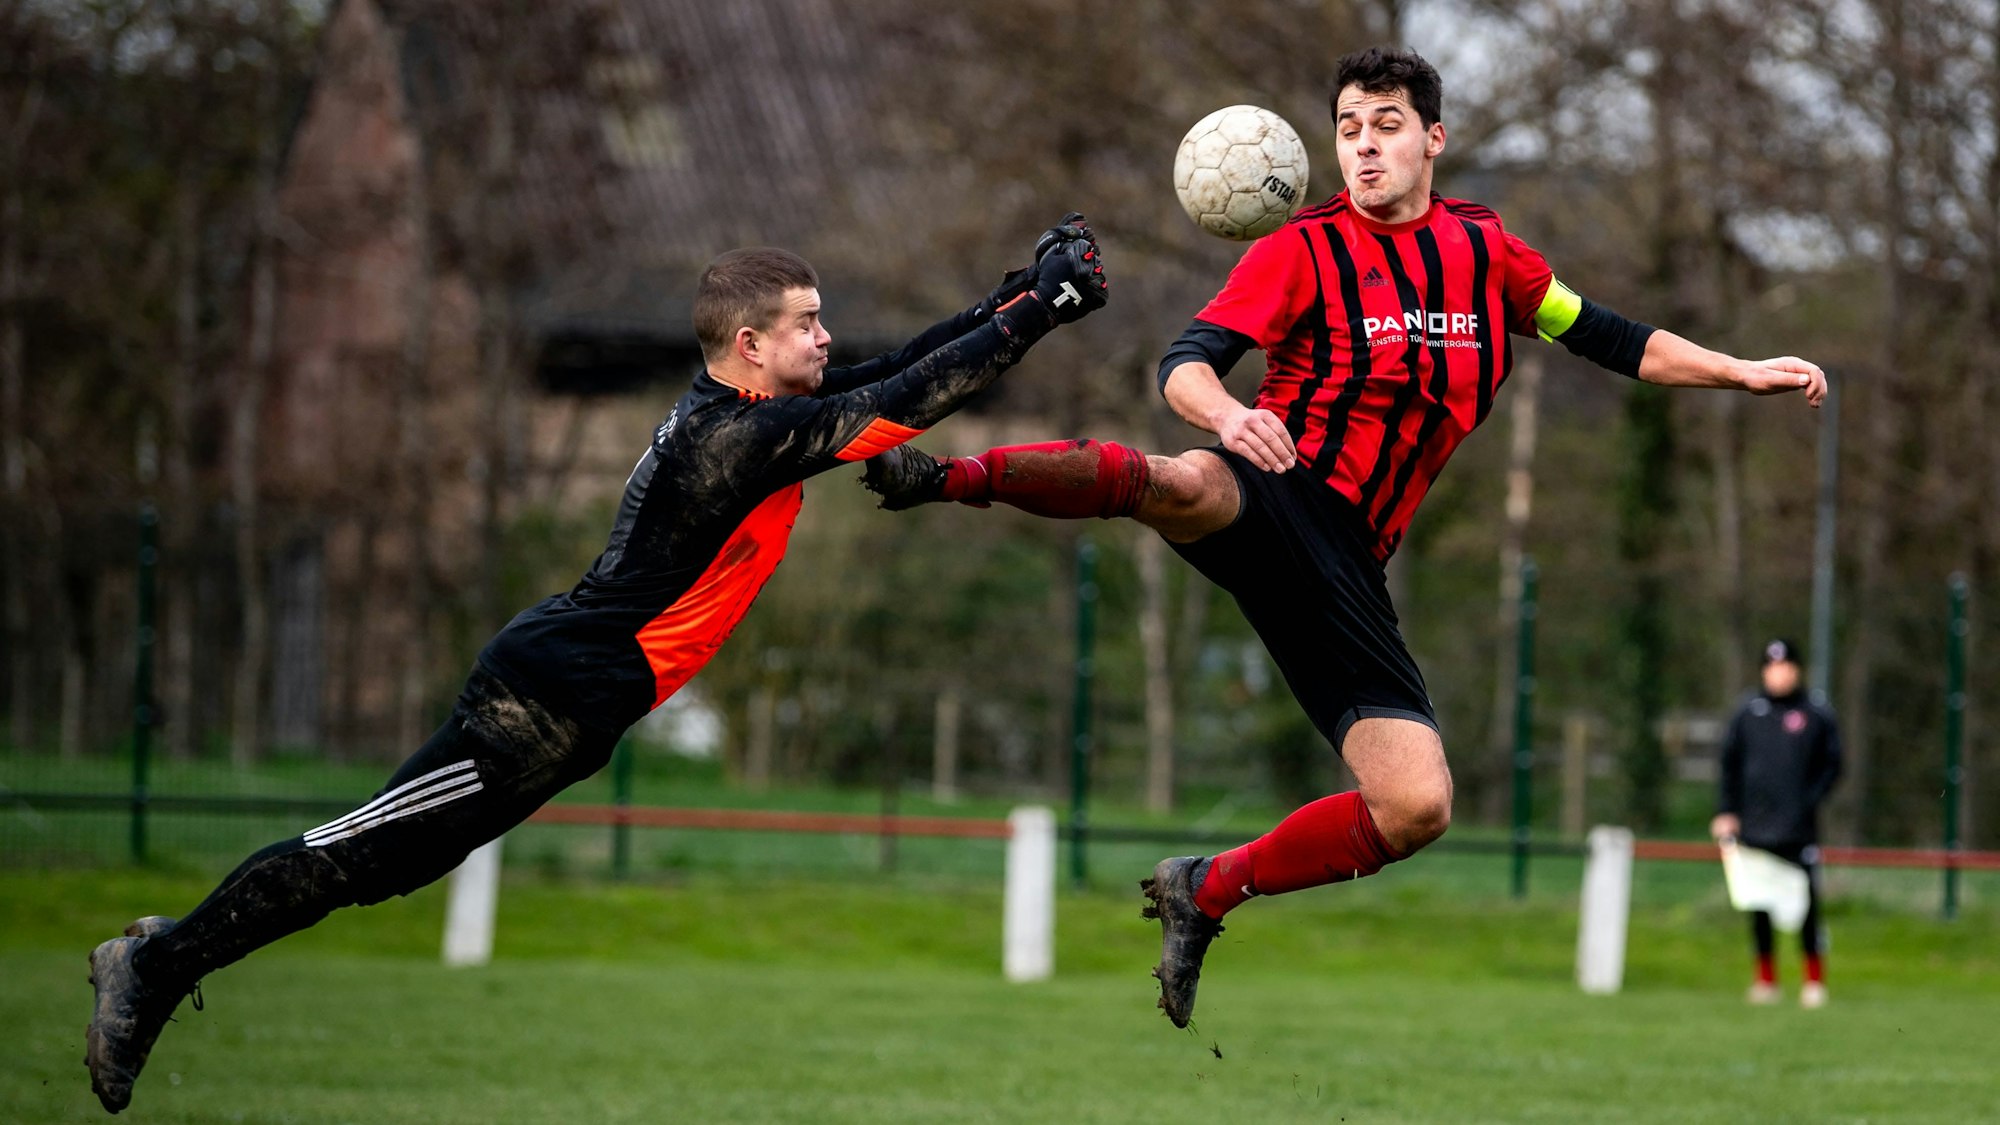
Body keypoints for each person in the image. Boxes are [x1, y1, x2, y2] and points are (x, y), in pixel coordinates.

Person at [864, 46, 1828, 1029]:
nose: (1363, 149)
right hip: (1278, 484)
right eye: (1347, 131)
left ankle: (1205, 889)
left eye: (1385, 127)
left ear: (1432, 139)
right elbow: (1185, 364)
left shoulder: (1488, 257)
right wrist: (1228, 418)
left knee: (1416, 809)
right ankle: (938, 475)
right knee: (1182, 483)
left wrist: (1738, 371)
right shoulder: (1297, 249)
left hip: (1350, 564)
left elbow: (1610, 337)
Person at [82, 220, 1109, 1114]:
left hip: (578, 706)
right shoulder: (730, 439)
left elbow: (894, 371)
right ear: (749, 345)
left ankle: (164, 961)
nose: (824, 336)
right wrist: (1037, 315)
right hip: (540, 695)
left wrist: (1016, 289)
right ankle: (155, 965)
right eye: (806, 322)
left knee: (390, 868)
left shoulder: (752, 418)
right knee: (357, 853)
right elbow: (904, 404)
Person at [1710, 638, 1842, 1008]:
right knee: (1760, 903)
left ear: (1796, 670)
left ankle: (1813, 982)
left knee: (1805, 903)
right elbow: (1729, 766)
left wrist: (1807, 801)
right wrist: (1727, 811)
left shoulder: (1815, 713)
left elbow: (1832, 765)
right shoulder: (1747, 714)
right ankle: (1765, 980)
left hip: (1798, 828)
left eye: (1785, 667)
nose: (1779, 673)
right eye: (1772, 667)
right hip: (1754, 826)